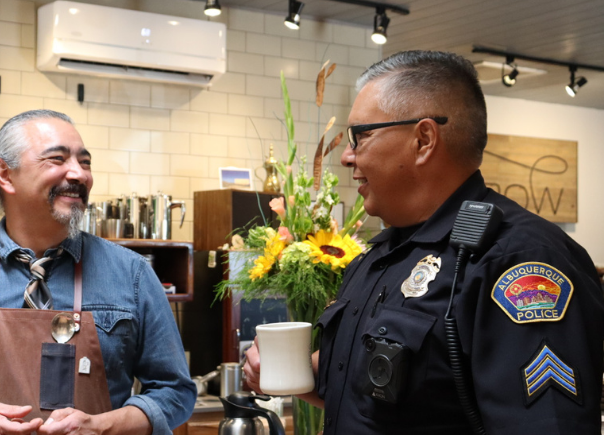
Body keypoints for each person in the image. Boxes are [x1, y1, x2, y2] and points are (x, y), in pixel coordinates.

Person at [244, 50, 604, 434]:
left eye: (360, 136)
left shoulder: (517, 259)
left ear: (424, 139)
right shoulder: (379, 258)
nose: (347, 156)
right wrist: (292, 372)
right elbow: (376, 400)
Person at [0, 110, 196, 435]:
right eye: (57, 159)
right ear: (5, 174)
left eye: (85, 162)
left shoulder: (133, 276)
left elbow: (176, 393)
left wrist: (102, 427)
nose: (79, 174)